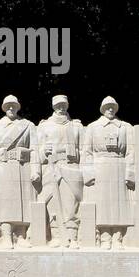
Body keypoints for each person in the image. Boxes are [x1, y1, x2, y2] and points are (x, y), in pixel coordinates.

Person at [0, 94, 40, 248]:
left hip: (22, 167)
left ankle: (21, 235)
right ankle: (6, 235)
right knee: (4, 203)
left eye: (13, 106)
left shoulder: (28, 125)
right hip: (2, 166)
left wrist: (36, 170)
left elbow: (35, 149)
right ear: (4, 108)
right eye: (8, 105)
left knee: (23, 202)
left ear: (17, 107)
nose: (11, 108)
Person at [83, 95, 134, 249]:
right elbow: (87, 152)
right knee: (103, 203)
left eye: (113, 107)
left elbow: (131, 152)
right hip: (100, 167)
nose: (110, 109)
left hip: (119, 166)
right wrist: (89, 174)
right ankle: (105, 237)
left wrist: (129, 173)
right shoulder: (92, 127)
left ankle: (118, 237)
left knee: (120, 204)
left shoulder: (126, 127)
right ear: (102, 109)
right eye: (107, 107)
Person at [37, 95, 84, 248]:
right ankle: (56, 236)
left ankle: (72, 236)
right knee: (52, 203)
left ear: (68, 105)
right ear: (53, 106)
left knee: (71, 204)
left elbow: (85, 150)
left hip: (71, 166)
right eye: (58, 105)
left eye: (63, 104)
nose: (61, 107)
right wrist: (44, 150)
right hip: (52, 167)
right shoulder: (44, 126)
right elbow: (36, 151)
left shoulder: (76, 126)